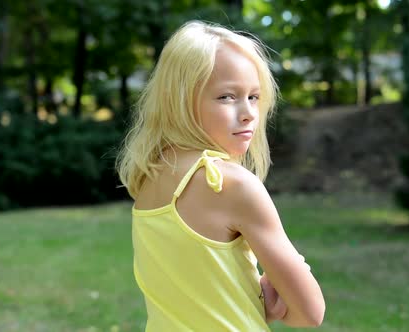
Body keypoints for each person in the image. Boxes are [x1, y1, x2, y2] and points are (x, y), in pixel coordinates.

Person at [116, 20, 325, 331]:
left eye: (254, 97)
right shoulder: (230, 183)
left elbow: (195, 298)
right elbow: (309, 313)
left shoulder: (150, 175)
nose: (248, 113)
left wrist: (250, 300)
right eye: (227, 96)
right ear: (181, 100)